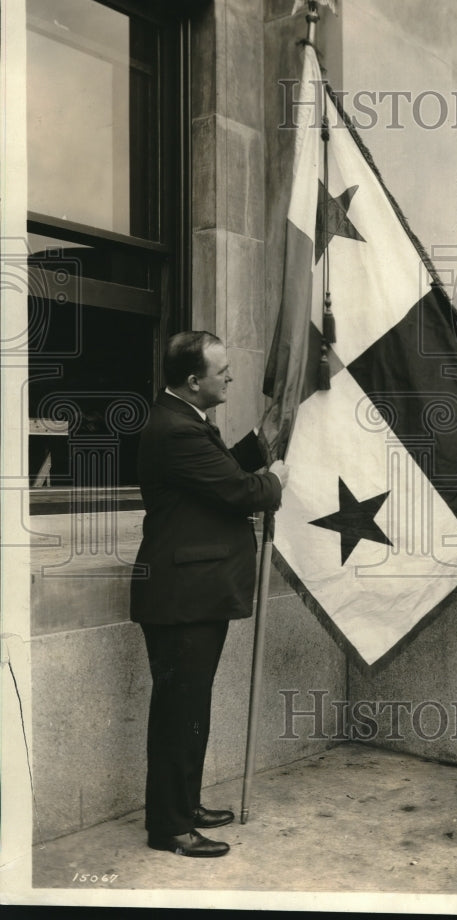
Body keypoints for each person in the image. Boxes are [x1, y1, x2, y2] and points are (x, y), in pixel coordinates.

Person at [131, 331, 288, 857]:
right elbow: (240, 490)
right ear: (194, 381)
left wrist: (260, 441)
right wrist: (275, 478)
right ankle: (170, 828)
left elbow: (216, 470)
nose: (230, 378)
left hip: (189, 594)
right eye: (222, 372)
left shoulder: (183, 421)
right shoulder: (177, 431)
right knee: (181, 712)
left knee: (189, 707)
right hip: (184, 597)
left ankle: (184, 806)